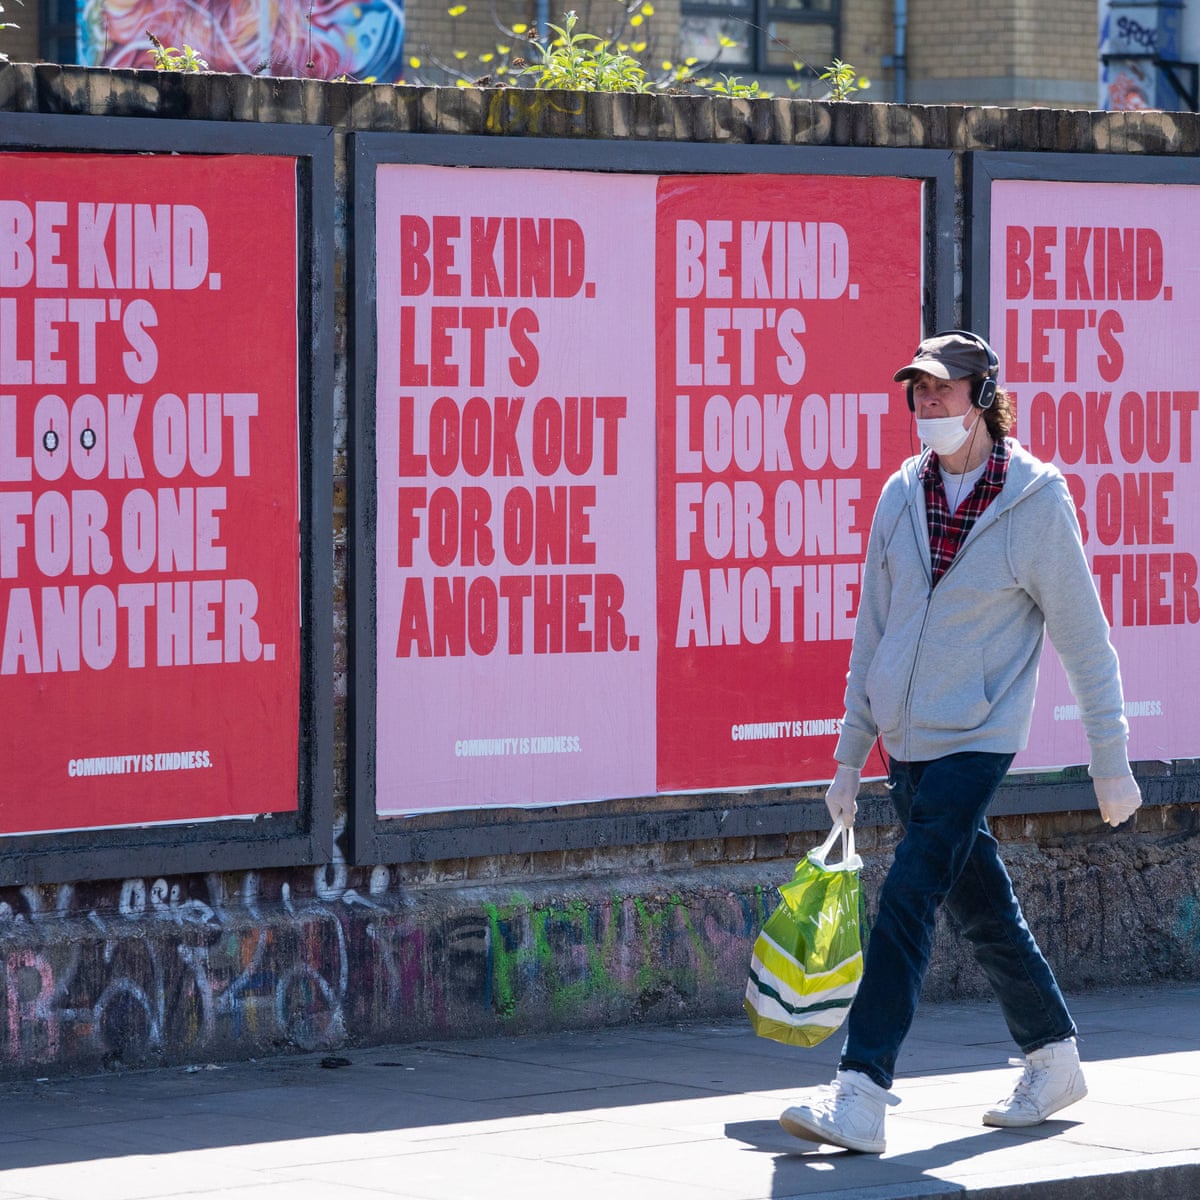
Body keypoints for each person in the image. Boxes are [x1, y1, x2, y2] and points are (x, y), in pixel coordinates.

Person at [778, 330, 1143, 1155]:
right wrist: (847, 755)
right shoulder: (901, 494)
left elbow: (1084, 636)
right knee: (983, 911)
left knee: (908, 897)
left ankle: (861, 1090)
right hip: (904, 743)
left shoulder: (1036, 502)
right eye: (918, 392)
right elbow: (872, 630)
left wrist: (1108, 756)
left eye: (943, 391)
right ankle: (1053, 1056)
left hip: (976, 738)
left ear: (983, 397)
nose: (928, 406)